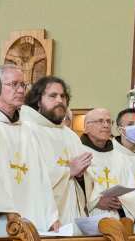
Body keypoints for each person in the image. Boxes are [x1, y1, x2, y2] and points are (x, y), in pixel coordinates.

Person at [0, 65, 61, 234]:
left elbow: (42, 176)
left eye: (23, 85)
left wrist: (51, 217)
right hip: (2, 218)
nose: (20, 90)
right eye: (14, 84)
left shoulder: (27, 130)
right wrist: (8, 208)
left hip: (33, 217)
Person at [80, 108, 135, 232]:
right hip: (89, 218)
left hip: (116, 219)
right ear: (86, 127)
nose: (105, 125)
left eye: (108, 121)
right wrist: (95, 201)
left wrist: (122, 203)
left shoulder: (118, 156)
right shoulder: (79, 151)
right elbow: (73, 187)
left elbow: (132, 191)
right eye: (100, 121)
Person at [23, 76, 90, 229]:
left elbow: (85, 179)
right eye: (52, 96)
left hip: (72, 214)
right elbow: (31, 176)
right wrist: (68, 171)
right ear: (38, 101)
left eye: (63, 96)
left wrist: (81, 176)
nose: (60, 100)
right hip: (44, 217)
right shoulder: (28, 130)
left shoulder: (70, 135)